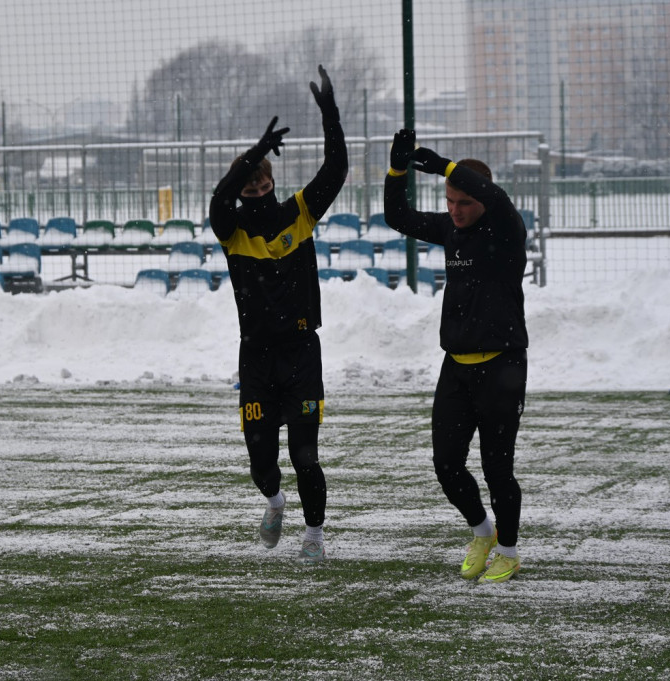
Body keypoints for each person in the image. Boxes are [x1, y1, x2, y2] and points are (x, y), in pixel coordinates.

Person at [208, 65, 347, 563]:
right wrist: (251, 153)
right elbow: (218, 201)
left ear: (272, 180)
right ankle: (274, 501)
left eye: (262, 182)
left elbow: (336, 170)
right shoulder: (232, 231)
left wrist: (330, 114)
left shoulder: (300, 213)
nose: (257, 190)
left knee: (305, 455)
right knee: (261, 457)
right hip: (257, 360)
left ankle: (314, 536)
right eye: (248, 185)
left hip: (302, 354)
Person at [383, 130, 528, 583]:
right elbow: (397, 215)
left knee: (497, 466)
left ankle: (508, 549)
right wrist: (397, 169)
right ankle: (482, 532)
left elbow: (494, 193)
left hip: (502, 365)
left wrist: (445, 163)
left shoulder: (505, 227)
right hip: (456, 369)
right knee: (445, 464)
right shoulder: (450, 228)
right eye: (449, 202)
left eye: (463, 202)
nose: (455, 210)